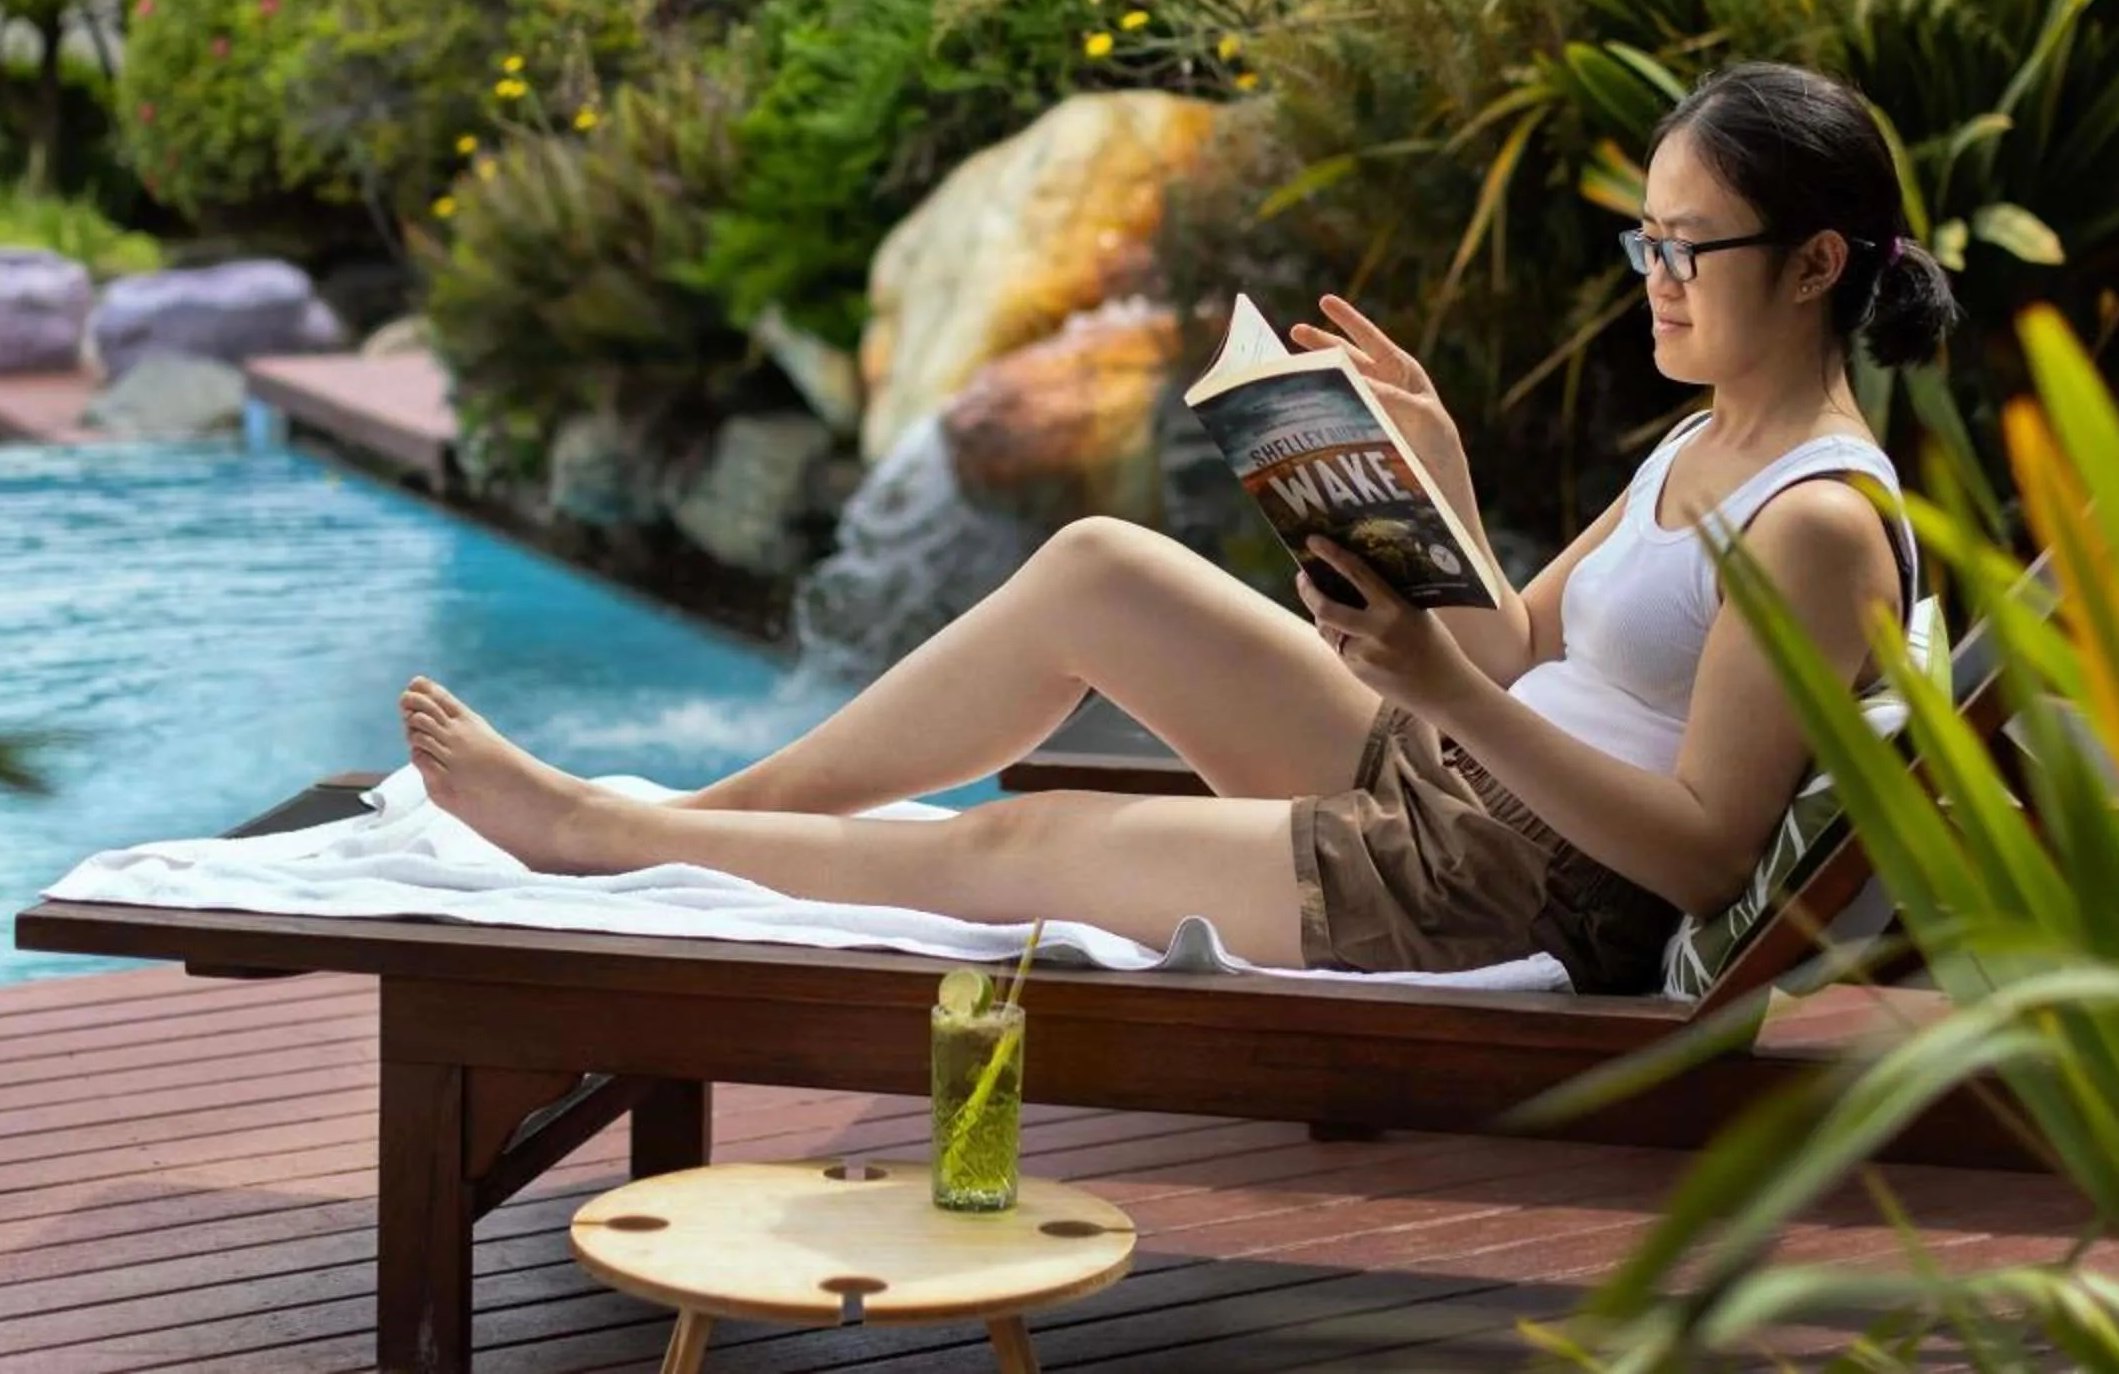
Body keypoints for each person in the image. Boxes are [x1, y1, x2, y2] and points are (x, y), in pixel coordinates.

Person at [398, 60, 1958, 987]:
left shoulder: (1815, 519)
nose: (1659, 276)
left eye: (1693, 245)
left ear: (1816, 263)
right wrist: (1433, 473)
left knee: (1030, 842)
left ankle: (613, 840)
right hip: (1459, 775)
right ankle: (716, 827)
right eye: (1648, 240)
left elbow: (1699, 854)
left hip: (1516, 885)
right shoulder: (1702, 434)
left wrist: (1441, 688)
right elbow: (1521, 639)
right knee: (1099, 568)